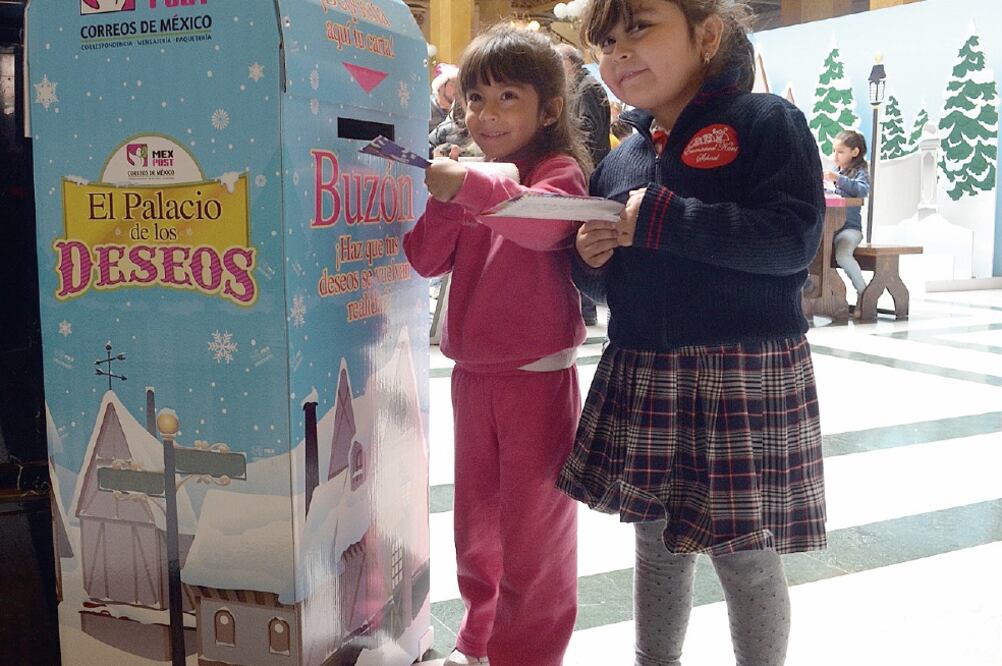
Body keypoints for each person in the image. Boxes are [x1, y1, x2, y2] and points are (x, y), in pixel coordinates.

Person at [556, 1, 827, 665]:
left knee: (746, 556)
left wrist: (665, 221)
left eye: (640, 29)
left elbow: (792, 240)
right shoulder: (620, 162)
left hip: (744, 371)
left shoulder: (767, 122)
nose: (620, 55)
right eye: (607, 42)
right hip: (644, 365)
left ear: (706, 36)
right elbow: (613, 286)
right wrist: (589, 264)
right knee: (654, 548)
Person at [403, 25, 592, 666]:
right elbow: (425, 259)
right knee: (476, 528)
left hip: (538, 380)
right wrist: (451, 196)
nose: (487, 114)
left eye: (508, 96)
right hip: (472, 378)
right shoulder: (474, 175)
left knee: (535, 535)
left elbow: (543, 224)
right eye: (477, 98)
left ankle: (527, 655)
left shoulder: (558, 173)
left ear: (551, 109)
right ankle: (479, 640)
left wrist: (473, 186)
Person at [554, 42, 612, 326]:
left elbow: (586, 130)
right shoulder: (587, 85)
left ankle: (586, 309)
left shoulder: (586, 88)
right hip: (589, 168)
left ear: (570, 65)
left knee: (586, 237)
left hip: (588, 169)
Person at [824, 129, 871, 300]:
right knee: (814, 252)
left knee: (843, 255)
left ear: (855, 152)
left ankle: (863, 293)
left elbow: (862, 190)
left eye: (840, 152)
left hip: (849, 229)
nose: (835, 156)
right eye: (834, 151)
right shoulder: (835, 171)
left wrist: (838, 179)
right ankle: (819, 293)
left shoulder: (860, 172)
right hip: (828, 229)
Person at [430, 63, 459, 133]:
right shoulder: (426, 109)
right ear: (441, 86)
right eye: (454, 84)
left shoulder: (461, 110)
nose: (458, 89)